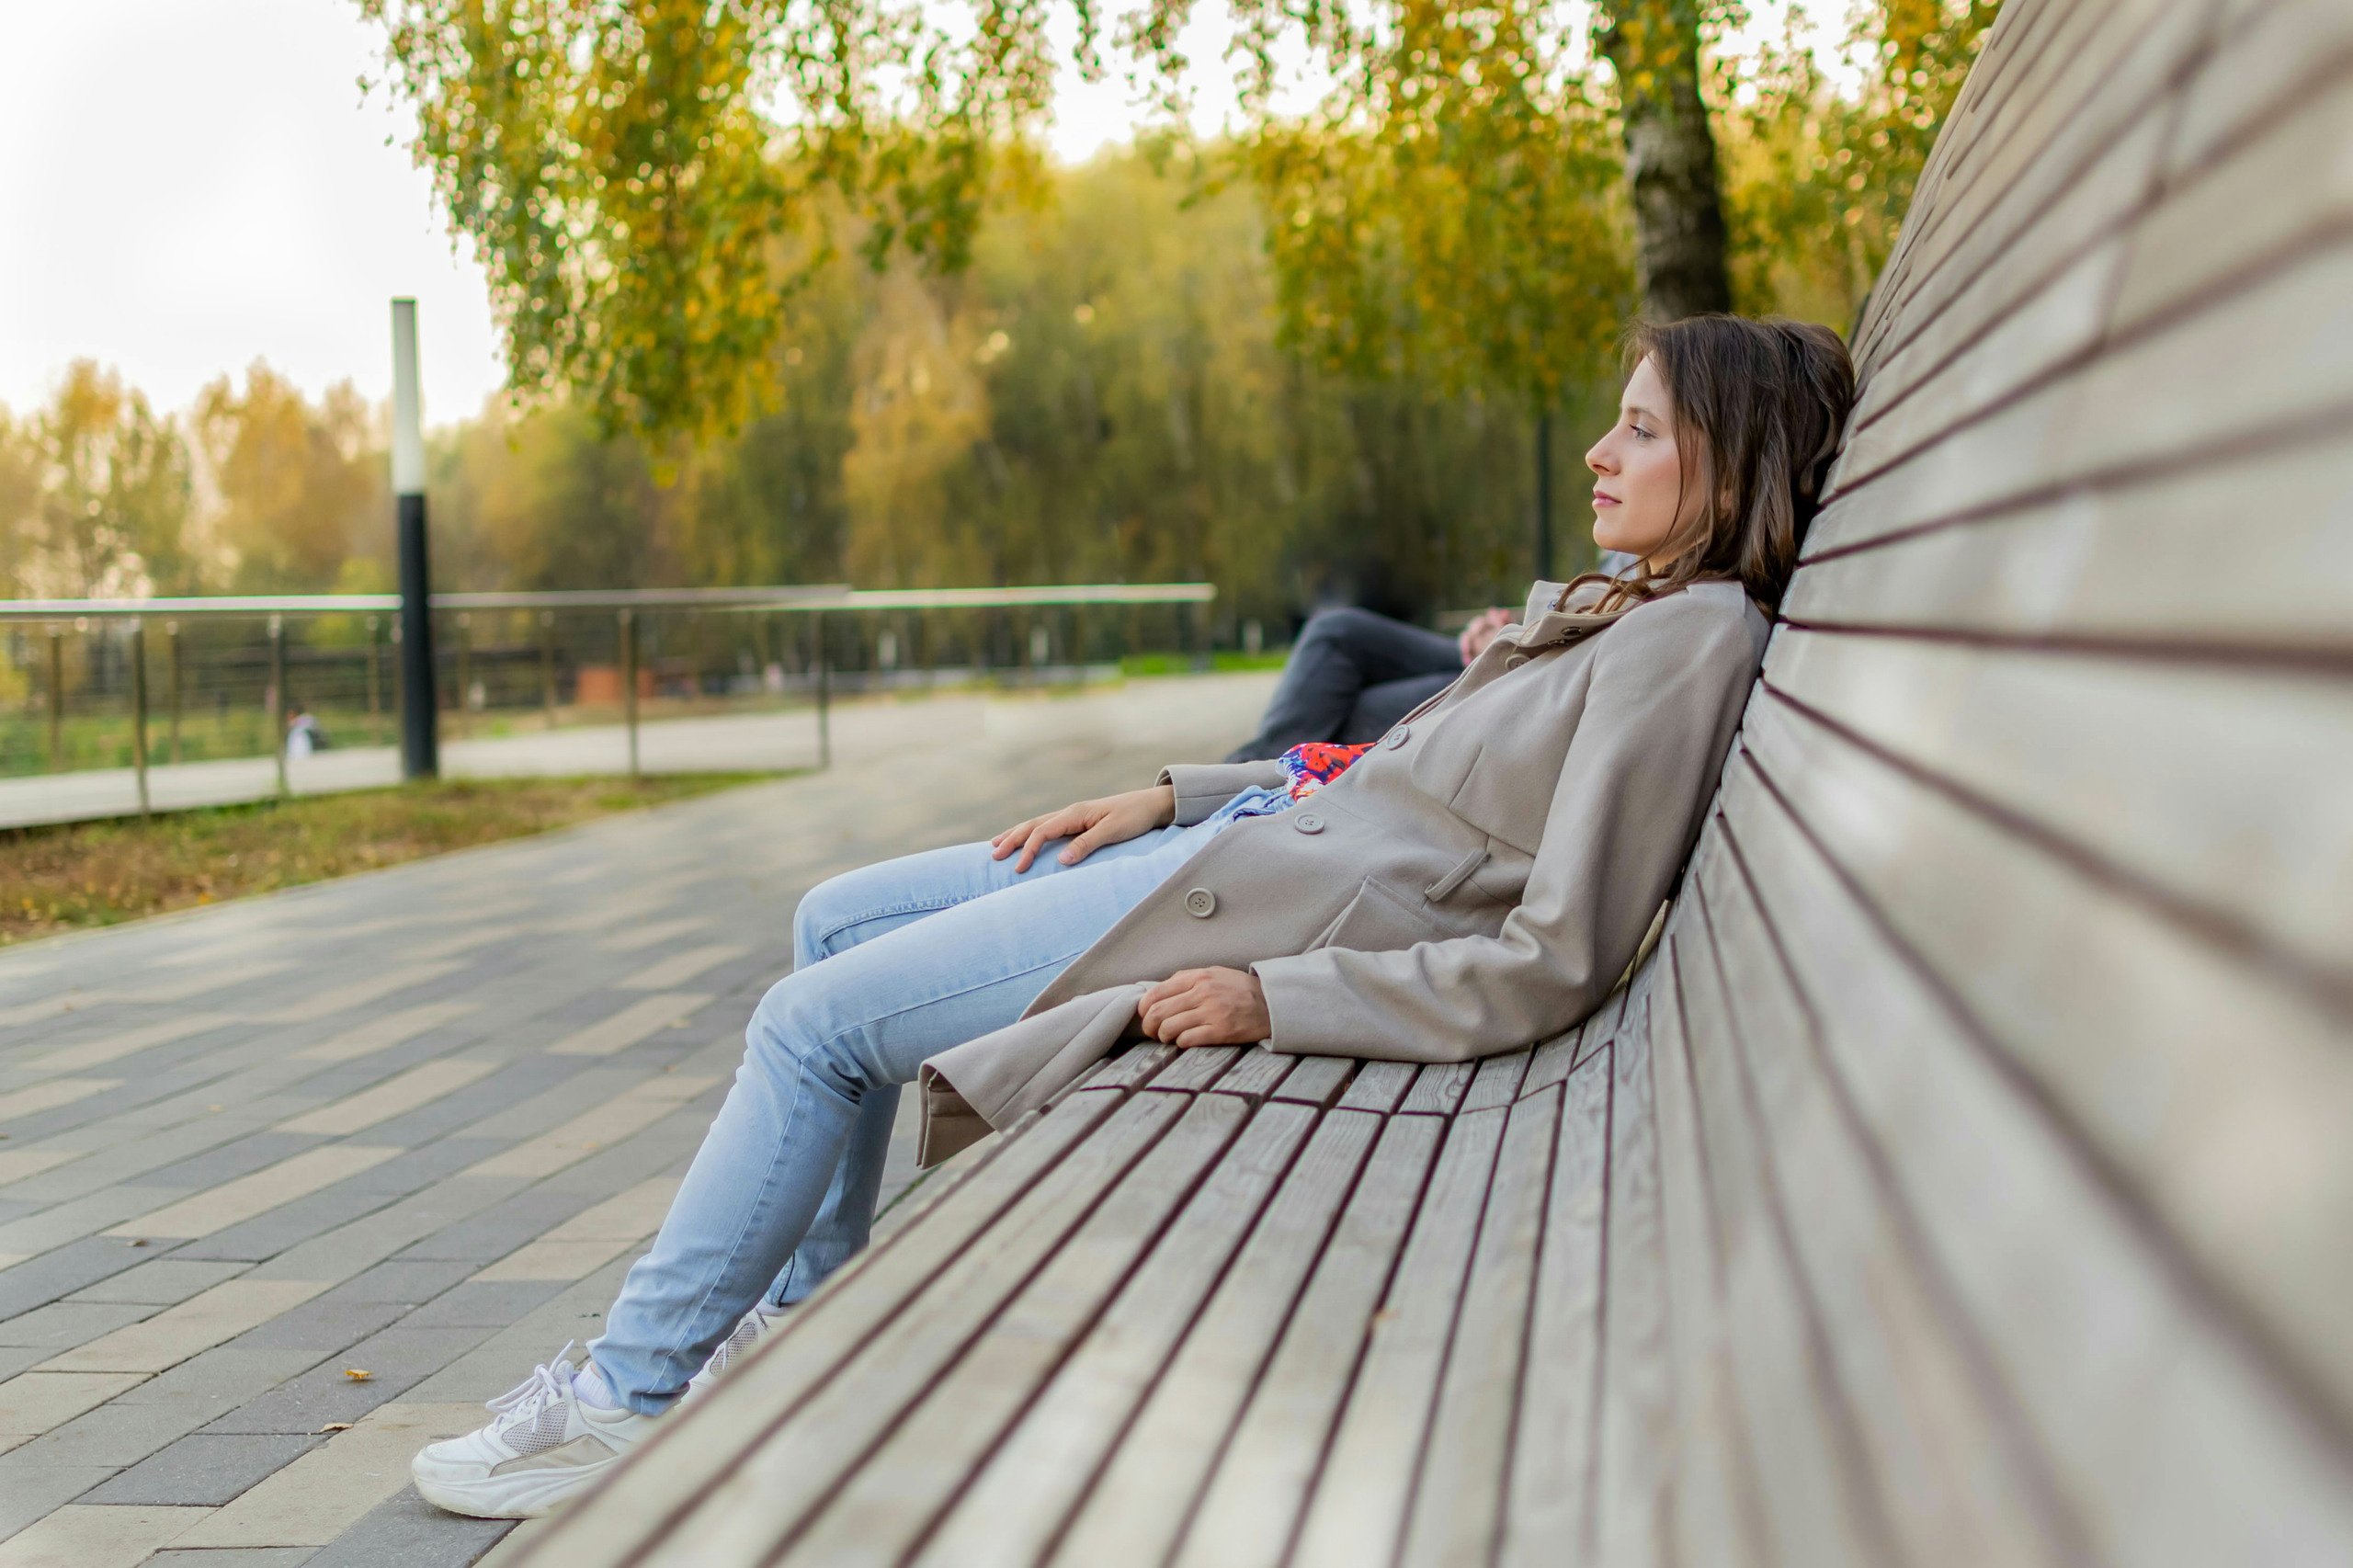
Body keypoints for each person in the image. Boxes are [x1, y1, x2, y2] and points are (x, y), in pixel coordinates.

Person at [410, 313, 1856, 1519]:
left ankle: (629, 1393)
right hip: (1233, 842)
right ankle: (789, 1324)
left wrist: (1278, 999)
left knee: (808, 1027)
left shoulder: (1687, 640)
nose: (1601, 451)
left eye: (1641, 430)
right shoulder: (1636, 605)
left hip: (1251, 911)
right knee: (831, 920)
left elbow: (1559, 954)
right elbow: (1395, 773)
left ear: (1733, 460)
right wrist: (1174, 792)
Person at [1222, 554, 1640, 763]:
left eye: (1641, 431)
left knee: (1346, 707)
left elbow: (1606, 635)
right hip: (1526, 645)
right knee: (1335, 632)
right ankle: (1235, 783)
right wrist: (1508, 629)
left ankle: (1232, 786)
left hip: (1536, 668)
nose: (1597, 455)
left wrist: (1519, 639)